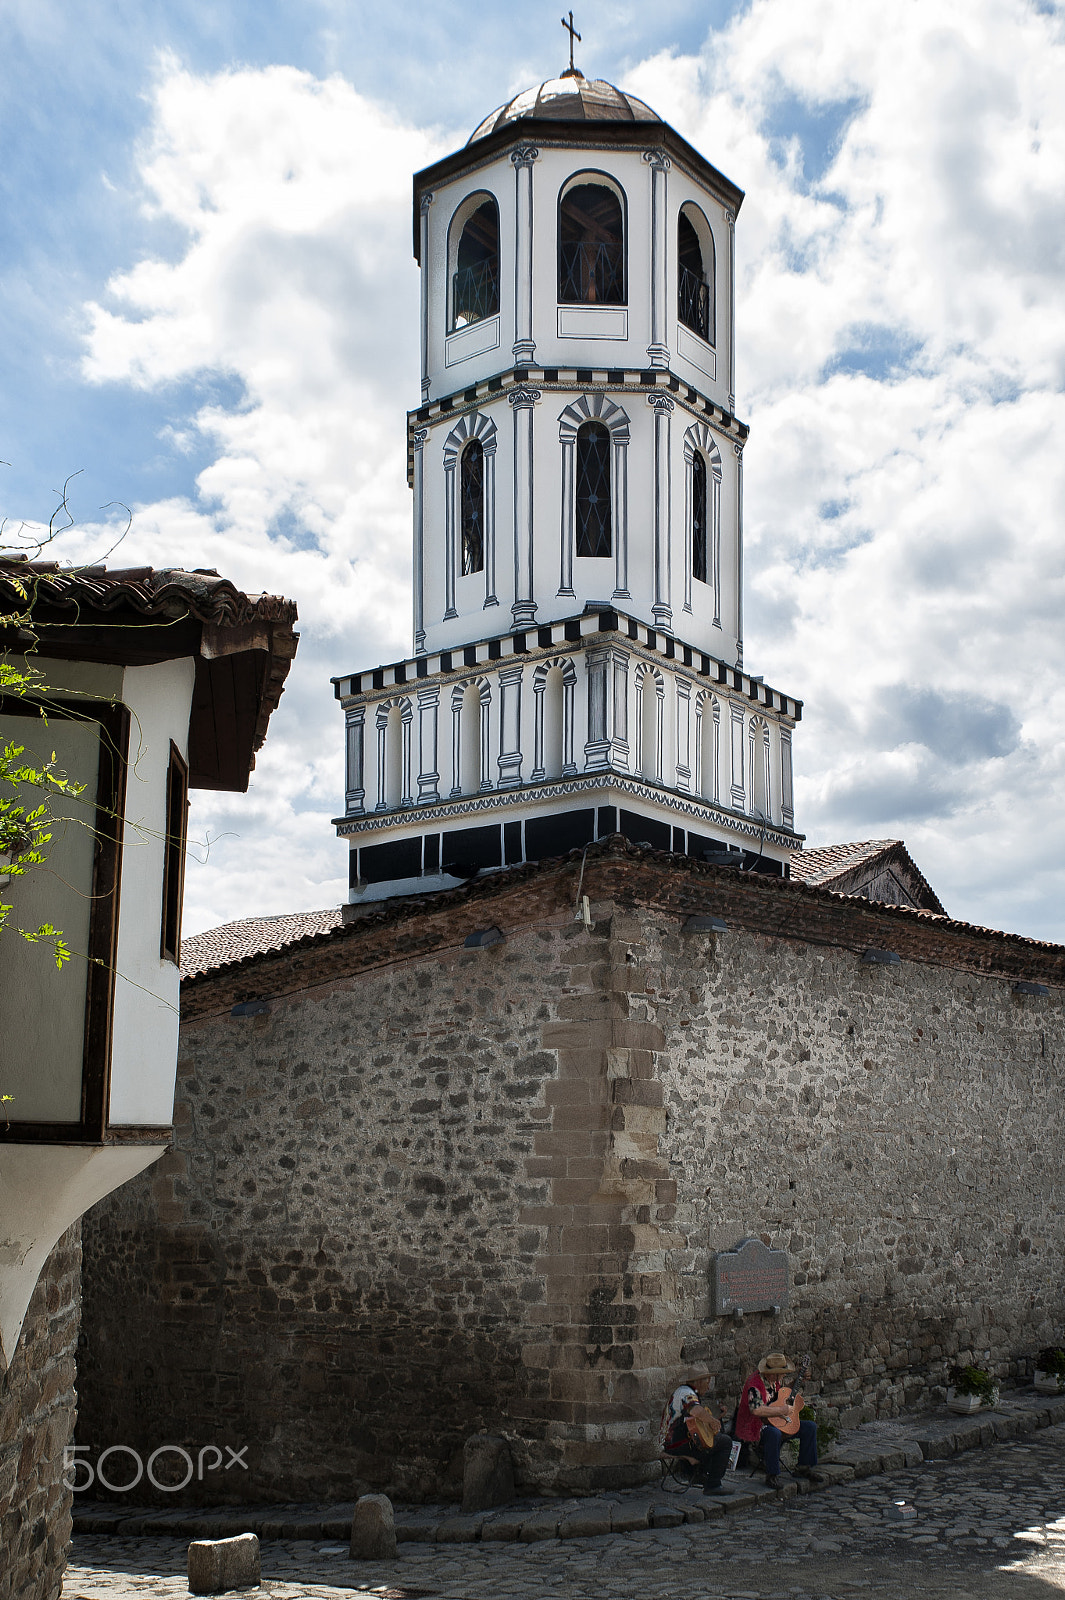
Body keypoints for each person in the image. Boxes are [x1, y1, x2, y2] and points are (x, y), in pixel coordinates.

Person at [734, 1352, 818, 1488]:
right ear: (773, 1373)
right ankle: (772, 1475)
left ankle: (803, 1467)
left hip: (777, 1421)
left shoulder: (775, 1381)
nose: (784, 1375)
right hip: (756, 1426)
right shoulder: (754, 1384)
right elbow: (756, 1410)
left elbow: (781, 1395)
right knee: (774, 1433)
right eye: (782, 1373)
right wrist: (782, 1411)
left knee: (809, 1427)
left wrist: (798, 1381)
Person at [658, 1370, 735, 1495]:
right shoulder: (686, 1393)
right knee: (725, 1441)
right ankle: (713, 1485)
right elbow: (697, 1411)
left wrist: (716, 1417)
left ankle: (699, 1474)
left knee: (714, 1437)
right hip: (676, 1445)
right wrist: (712, 1421)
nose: (709, 1386)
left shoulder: (684, 1392)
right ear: (698, 1381)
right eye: (707, 1382)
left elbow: (694, 1421)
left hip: (675, 1442)